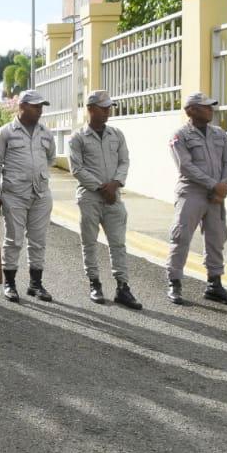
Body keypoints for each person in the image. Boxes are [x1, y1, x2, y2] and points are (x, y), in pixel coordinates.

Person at [67, 91, 141, 309]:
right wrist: (101, 187)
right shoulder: (77, 137)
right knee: (89, 242)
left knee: (118, 243)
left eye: (109, 108)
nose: (108, 111)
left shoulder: (116, 134)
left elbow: (124, 161)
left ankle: (123, 287)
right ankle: (94, 283)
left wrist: (115, 184)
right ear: (90, 108)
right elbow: (77, 168)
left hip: (113, 196)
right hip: (90, 196)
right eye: (103, 107)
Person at [166, 92, 227, 306]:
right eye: (205, 107)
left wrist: (223, 186)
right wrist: (214, 185)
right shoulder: (180, 135)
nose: (210, 110)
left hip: (216, 195)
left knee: (217, 237)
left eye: (210, 107)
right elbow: (185, 166)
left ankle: (214, 284)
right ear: (191, 110)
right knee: (181, 236)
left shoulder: (220, 134)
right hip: (192, 192)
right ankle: (174, 281)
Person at [0, 90, 57, 303]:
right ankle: (10, 283)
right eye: (35, 106)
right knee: (14, 240)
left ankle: (35, 284)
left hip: (41, 194)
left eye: (41, 106)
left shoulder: (46, 133)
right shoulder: (5, 133)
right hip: (14, 195)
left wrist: (36, 174)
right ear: (22, 106)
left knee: (38, 241)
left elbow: (51, 158)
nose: (40, 110)